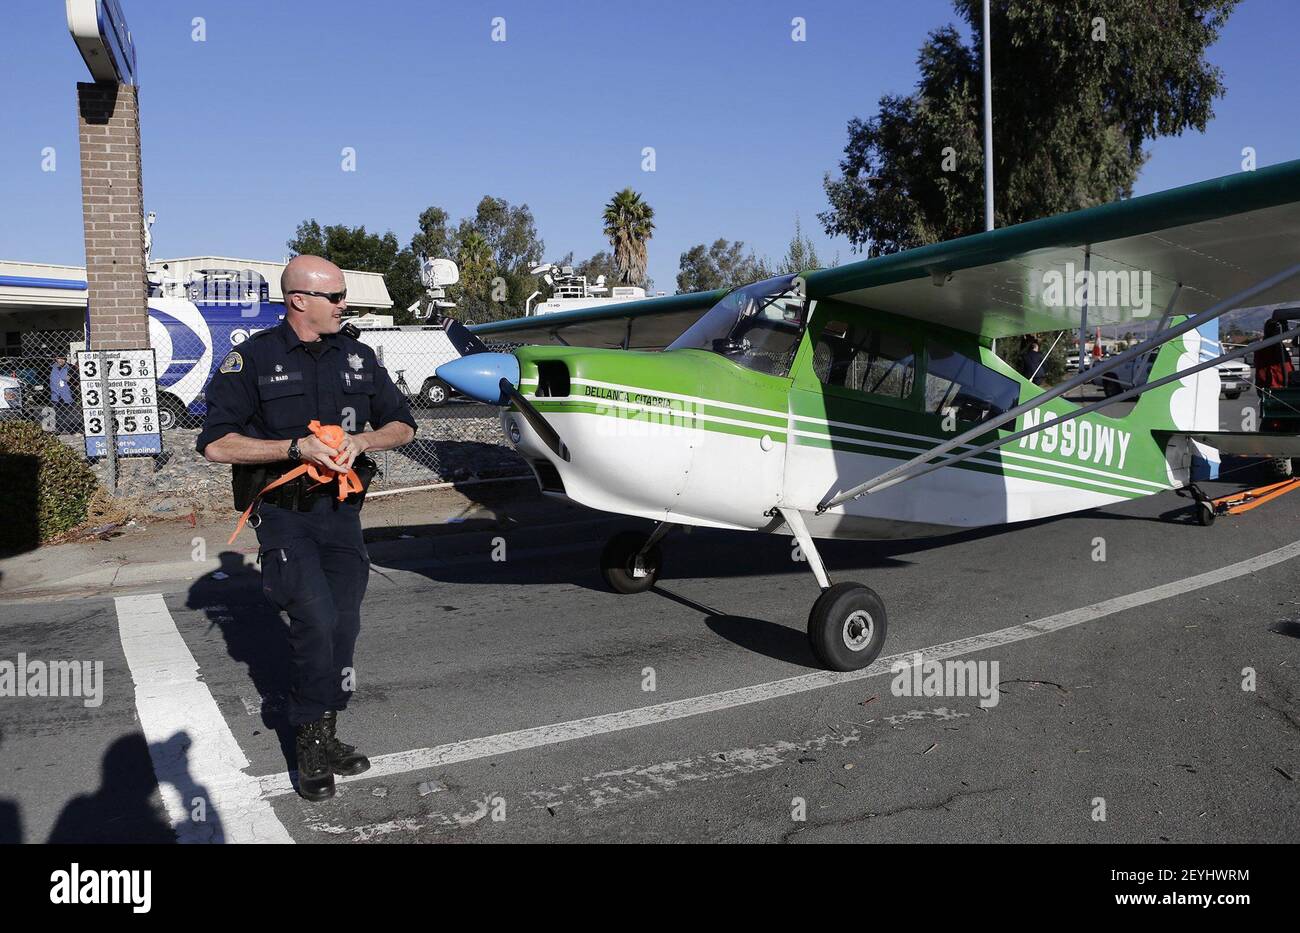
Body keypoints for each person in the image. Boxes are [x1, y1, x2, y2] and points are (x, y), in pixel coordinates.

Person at [196, 255, 417, 801]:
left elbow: (404, 423)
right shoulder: (252, 359)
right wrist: (295, 447)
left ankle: (326, 730)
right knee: (315, 621)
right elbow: (216, 444)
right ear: (299, 300)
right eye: (336, 296)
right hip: (286, 516)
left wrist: (364, 441)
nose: (346, 304)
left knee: (344, 626)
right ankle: (309, 744)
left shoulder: (360, 356)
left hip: (343, 514)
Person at [49, 355, 75, 431]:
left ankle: (67, 428)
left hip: (66, 394)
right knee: (55, 412)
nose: (61, 360)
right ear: (56, 359)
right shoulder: (50, 368)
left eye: (63, 358)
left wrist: (71, 378)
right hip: (54, 394)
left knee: (66, 413)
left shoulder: (70, 367)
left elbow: (74, 378)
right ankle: (58, 428)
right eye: (59, 358)